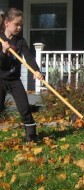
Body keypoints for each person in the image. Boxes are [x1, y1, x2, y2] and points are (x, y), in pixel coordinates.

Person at [0, 8, 43, 142]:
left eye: (21, 25)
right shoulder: (1, 39)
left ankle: (31, 137)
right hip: (0, 78)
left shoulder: (20, 41)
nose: (19, 27)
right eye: (16, 24)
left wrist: (36, 70)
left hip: (14, 80)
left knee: (24, 107)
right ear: (7, 23)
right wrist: (2, 51)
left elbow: (29, 57)